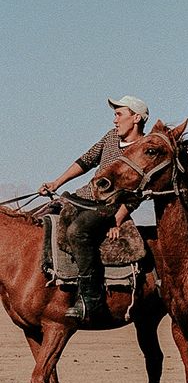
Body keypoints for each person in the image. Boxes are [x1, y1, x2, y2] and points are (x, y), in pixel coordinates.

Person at [39, 96, 149, 320]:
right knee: (44, 216)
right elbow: (86, 161)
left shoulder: (144, 149)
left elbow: (139, 193)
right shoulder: (110, 138)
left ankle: (92, 299)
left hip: (109, 206)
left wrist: (118, 219)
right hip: (84, 198)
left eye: (119, 114)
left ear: (136, 118)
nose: (114, 120)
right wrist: (56, 183)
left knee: (77, 232)